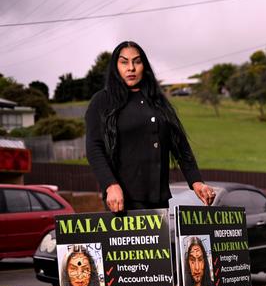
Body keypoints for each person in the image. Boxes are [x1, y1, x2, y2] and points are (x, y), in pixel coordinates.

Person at [85, 41, 215, 212]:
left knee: (160, 239)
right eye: (124, 62)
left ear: (143, 66)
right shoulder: (102, 101)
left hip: (159, 201)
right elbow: (94, 148)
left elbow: (180, 144)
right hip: (122, 201)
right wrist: (110, 185)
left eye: (137, 61)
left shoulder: (158, 101)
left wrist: (196, 181)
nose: (131, 68)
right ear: (115, 66)